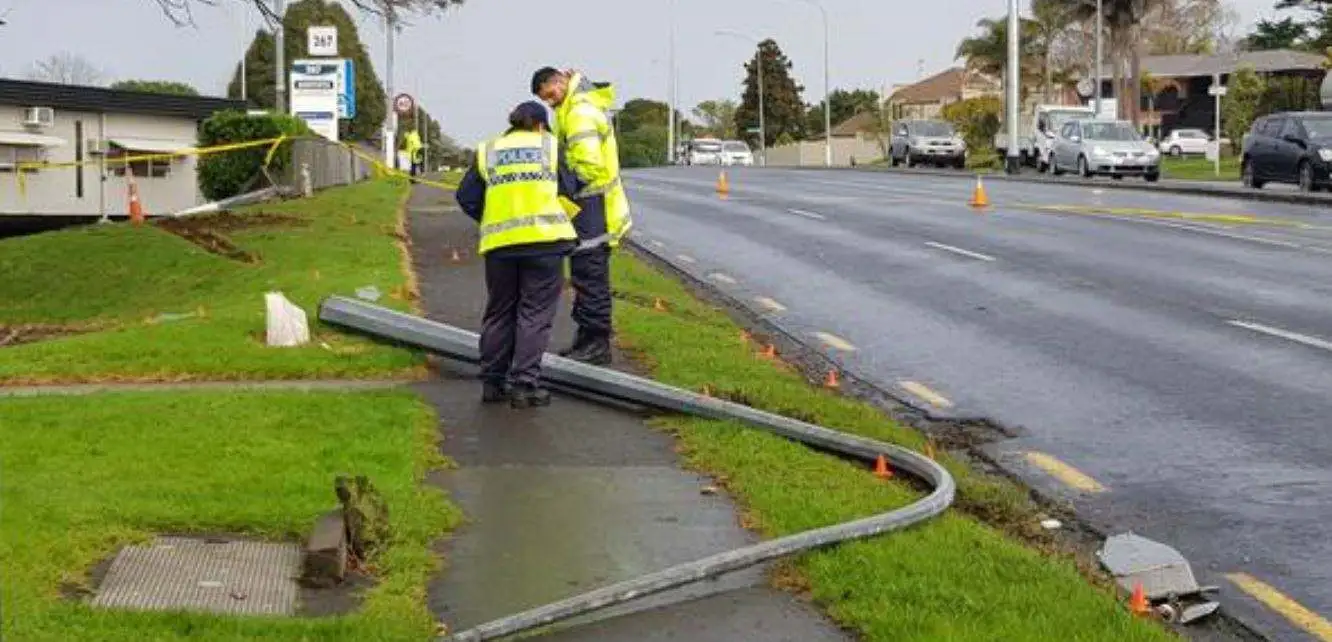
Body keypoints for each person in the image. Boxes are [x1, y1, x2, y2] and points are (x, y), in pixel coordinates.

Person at [454, 101, 583, 408]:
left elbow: (466, 196)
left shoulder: (489, 150)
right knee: (534, 315)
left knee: (499, 313)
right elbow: (570, 188)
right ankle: (524, 385)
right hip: (545, 243)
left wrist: (490, 218)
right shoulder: (550, 147)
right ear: (540, 125)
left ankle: (492, 383)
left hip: (500, 245)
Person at [532, 67, 633, 366]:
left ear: (560, 82)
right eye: (546, 101)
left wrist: (559, 187)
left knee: (590, 276)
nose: (550, 103)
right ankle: (588, 338)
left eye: (550, 95)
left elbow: (588, 168)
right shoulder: (574, 108)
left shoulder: (579, 113)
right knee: (585, 275)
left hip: (592, 207)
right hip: (591, 207)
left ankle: (597, 344)